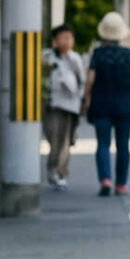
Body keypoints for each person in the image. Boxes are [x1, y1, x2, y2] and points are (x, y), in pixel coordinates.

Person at [80, 11, 130, 197]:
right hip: (124, 105)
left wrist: (87, 99)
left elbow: (90, 81)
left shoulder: (97, 55)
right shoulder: (129, 55)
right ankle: (121, 185)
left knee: (102, 143)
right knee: (123, 145)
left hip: (101, 104)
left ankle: (105, 179)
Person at [43, 25, 86, 189]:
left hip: (70, 105)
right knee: (54, 138)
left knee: (66, 140)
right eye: (64, 37)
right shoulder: (47, 58)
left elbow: (81, 81)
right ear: (55, 40)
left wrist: (81, 101)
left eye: (70, 38)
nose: (67, 41)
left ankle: (60, 171)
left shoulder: (75, 59)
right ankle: (52, 168)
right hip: (52, 104)